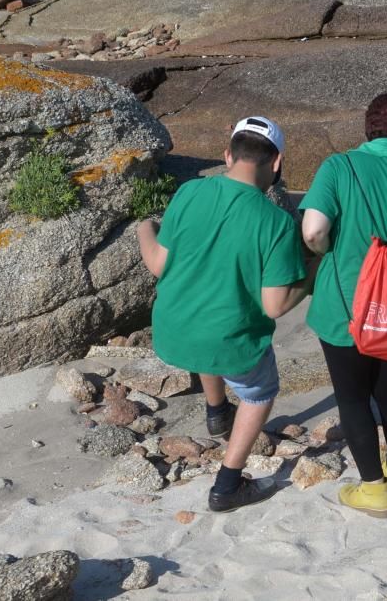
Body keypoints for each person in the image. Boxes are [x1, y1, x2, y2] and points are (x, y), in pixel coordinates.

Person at [137, 116, 314, 512]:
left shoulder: (189, 193)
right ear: (278, 162)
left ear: (228, 155)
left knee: (209, 314)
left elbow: (158, 265)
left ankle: (217, 411)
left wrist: (143, 228)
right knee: (261, 391)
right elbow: (275, 306)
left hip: (171, 332)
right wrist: (313, 271)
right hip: (228, 343)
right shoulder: (276, 222)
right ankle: (228, 485)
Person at [300, 93, 387, 519]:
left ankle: (373, 489)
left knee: (352, 397)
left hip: (344, 301)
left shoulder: (338, 166)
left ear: (367, 130)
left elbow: (313, 231)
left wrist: (330, 251)